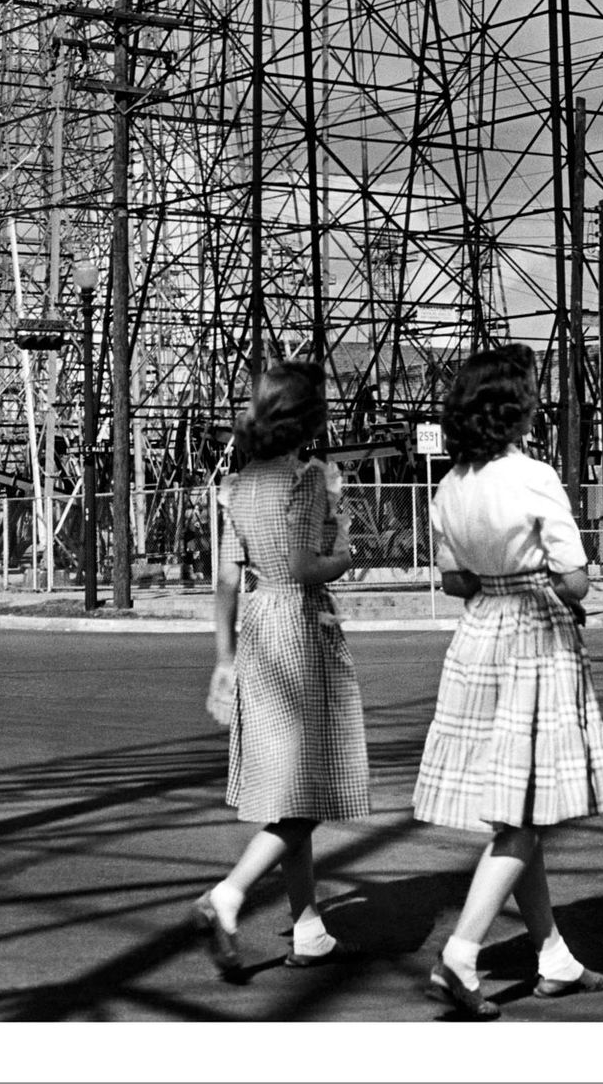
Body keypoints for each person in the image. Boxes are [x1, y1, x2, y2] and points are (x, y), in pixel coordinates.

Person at [413, 343, 603, 1018]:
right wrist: (568, 589)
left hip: (478, 635)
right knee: (524, 808)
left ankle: (552, 956)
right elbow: (575, 576)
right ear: (515, 406)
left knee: (517, 806)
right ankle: (461, 952)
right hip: (534, 632)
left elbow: (452, 579)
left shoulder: (449, 485)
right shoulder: (531, 476)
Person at [195, 360, 370, 976]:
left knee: (292, 786)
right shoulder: (305, 479)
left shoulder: (240, 484)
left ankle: (309, 928)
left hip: (257, 632)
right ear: (308, 415)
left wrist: (223, 660)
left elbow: (224, 581)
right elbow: (303, 565)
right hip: (300, 626)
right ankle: (230, 893)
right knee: (312, 785)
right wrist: (343, 553)